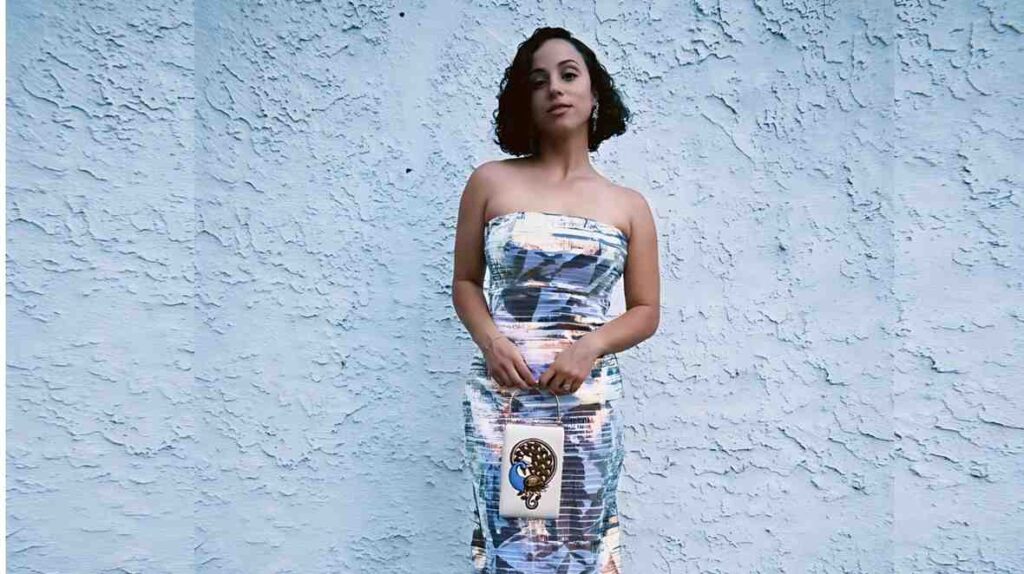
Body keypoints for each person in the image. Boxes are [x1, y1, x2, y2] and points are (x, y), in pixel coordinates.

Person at [451, 26, 660, 572]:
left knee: (585, 546)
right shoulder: (490, 182)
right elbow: (466, 283)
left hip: (586, 403)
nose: (555, 89)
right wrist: (491, 341)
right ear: (525, 100)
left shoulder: (628, 204)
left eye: (570, 75)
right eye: (538, 80)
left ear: (595, 96)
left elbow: (645, 311)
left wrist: (589, 347)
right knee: (516, 549)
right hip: (508, 399)